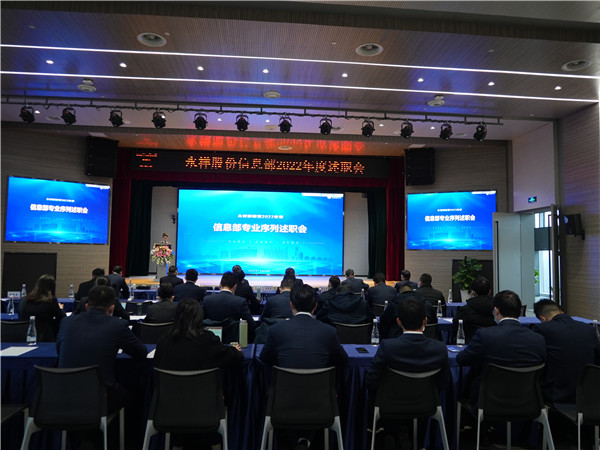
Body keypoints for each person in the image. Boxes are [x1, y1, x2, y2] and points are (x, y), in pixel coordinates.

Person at [260, 283, 348, 450]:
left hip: (282, 405)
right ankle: (307, 440)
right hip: (321, 406)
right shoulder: (328, 331)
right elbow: (343, 360)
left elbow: (265, 358)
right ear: (315, 306)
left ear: (291, 304)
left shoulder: (276, 330)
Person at [154, 298, 243, 450]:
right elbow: (236, 358)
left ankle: (178, 442)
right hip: (207, 410)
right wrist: (235, 350)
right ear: (200, 317)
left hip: (169, 409)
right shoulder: (208, 340)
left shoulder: (163, 342)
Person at [366, 297, 450, 447]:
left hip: (390, 405)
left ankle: (391, 435)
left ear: (398, 322)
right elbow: (444, 382)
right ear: (425, 321)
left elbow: (371, 381)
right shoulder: (439, 348)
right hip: (427, 405)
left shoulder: (388, 347)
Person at [57, 285, 148, 414]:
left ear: (87, 306)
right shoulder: (118, 325)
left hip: (62, 394)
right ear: (111, 308)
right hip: (100, 397)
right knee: (136, 393)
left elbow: (59, 350)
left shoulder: (66, 322)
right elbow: (141, 352)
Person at [456, 290, 546, 413]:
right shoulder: (538, 339)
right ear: (520, 311)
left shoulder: (485, 336)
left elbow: (462, 359)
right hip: (529, 404)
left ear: (496, 311)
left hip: (488, 403)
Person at [532, 299, 600, 404]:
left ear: (542, 319)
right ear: (562, 312)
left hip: (557, 395)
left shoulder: (542, 329)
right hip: (588, 396)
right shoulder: (589, 329)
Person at [201, 271, 257, 342]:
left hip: (210, 342)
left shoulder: (207, 300)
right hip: (232, 343)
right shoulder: (240, 302)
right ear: (235, 286)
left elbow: (199, 321)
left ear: (220, 284)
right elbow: (251, 325)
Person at [19, 274, 65, 342]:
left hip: (23, 338)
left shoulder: (23, 300)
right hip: (45, 339)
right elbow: (62, 317)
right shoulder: (50, 301)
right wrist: (60, 308)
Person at [451, 276, 495, 343]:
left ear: (473, 292)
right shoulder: (498, 309)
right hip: (494, 344)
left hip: (470, 344)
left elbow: (456, 329)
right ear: (490, 291)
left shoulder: (465, 310)